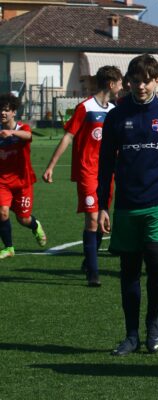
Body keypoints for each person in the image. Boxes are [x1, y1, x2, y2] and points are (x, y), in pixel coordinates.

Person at [97, 54, 158, 356]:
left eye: (146, 80)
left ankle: (153, 322)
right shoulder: (116, 116)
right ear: (128, 81)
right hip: (127, 205)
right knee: (129, 271)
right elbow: (104, 165)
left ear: (157, 81)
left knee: (156, 263)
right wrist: (102, 205)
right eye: (135, 80)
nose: (140, 86)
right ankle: (130, 335)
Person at [43, 66, 123, 286]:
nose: (122, 87)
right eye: (120, 82)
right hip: (88, 171)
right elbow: (68, 137)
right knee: (93, 220)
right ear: (110, 84)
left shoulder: (114, 110)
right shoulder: (85, 107)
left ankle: (90, 259)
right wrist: (51, 166)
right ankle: (93, 274)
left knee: (102, 221)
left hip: (107, 173)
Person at [0, 94, 47, 259]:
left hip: (23, 181)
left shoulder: (22, 128)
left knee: (23, 218)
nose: (3, 113)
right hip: (2, 181)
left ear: (13, 112)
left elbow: (29, 136)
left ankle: (35, 226)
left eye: (6, 110)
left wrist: (11, 133)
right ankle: (9, 248)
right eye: (1, 110)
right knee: (2, 212)